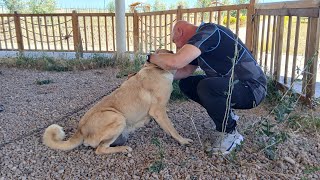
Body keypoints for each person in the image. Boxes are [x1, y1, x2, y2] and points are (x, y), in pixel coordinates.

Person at [148, 20, 267, 155]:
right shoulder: (198, 44)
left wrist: (150, 57)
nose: (177, 47)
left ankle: (230, 133)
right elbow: (185, 70)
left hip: (252, 89)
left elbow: (176, 61)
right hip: (232, 86)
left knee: (207, 87)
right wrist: (154, 78)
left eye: (175, 42)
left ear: (180, 32)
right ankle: (227, 115)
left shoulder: (209, 31)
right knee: (187, 83)